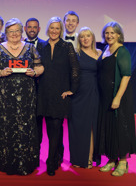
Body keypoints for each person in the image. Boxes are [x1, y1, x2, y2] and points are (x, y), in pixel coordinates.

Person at [0, 18, 44, 175]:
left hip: (27, 95)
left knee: (26, 125)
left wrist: (35, 72)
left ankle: (27, 162)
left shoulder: (31, 48)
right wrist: (0, 72)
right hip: (6, 97)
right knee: (7, 126)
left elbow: (40, 67)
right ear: (6, 33)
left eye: (17, 31)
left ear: (21, 32)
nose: (14, 34)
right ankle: (7, 162)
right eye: (11, 31)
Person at [37, 17, 80, 176]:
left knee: (55, 128)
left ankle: (51, 160)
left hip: (60, 94)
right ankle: (57, 154)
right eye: (51, 28)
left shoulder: (67, 46)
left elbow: (75, 69)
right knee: (48, 129)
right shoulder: (41, 46)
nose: (54, 31)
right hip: (43, 93)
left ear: (61, 30)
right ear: (47, 29)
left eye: (57, 28)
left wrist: (72, 89)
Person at [96, 22, 136, 176]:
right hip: (105, 97)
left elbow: (126, 75)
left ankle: (123, 162)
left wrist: (117, 97)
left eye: (113, 33)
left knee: (120, 128)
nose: (109, 35)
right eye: (107, 33)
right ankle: (112, 159)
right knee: (109, 128)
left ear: (119, 34)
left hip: (118, 96)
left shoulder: (122, 51)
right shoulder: (106, 49)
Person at [68, 27, 102, 169]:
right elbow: (68, 73)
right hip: (78, 94)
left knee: (92, 127)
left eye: (88, 36)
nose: (85, 39)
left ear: (93, 38)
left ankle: (88, 158)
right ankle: (77, 158)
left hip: (95, 93)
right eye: (82, 36)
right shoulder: (75, 53)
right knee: (78, 127)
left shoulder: (100, 53)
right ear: (79, 39)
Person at [23, 17, 47, 149]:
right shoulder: (19, 44)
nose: (32, 30)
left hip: (40, 88)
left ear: (39, 29)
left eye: (34, 27)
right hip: (23, 89)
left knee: (38, 120)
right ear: (25, 29)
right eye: (29, 27)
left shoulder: (45, 45)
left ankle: (36, 150)